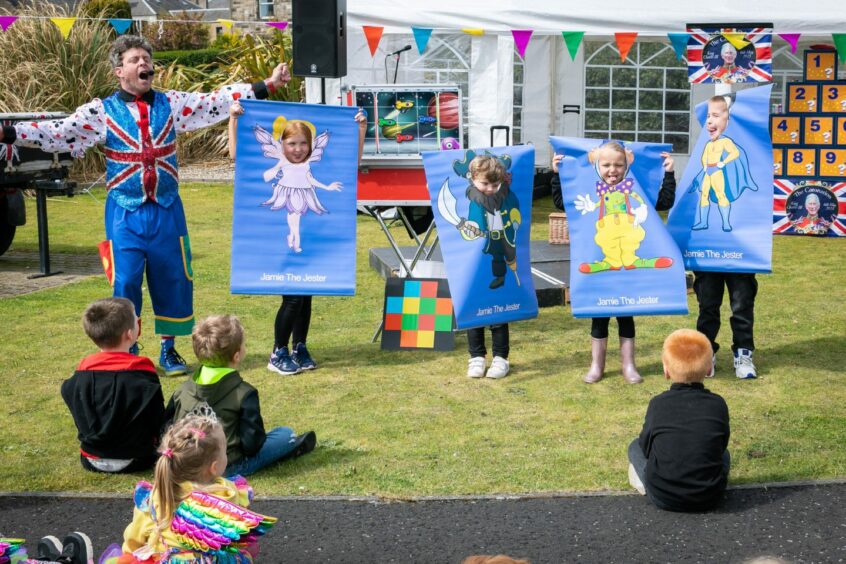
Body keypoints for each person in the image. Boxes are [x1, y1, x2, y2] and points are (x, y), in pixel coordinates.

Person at [0, 35, 291, 377]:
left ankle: (169, 350)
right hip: (125, 211)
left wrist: (267, 84)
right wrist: (10, 132)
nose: (143, 64)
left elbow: (215, 100)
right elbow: (61, 131)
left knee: (174, 277)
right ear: (118, 71)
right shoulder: (100, 111)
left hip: (167, 208)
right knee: (125, 282)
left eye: (146, 59)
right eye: (135, 59)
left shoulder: (172, 104)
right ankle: (130, 350)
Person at [229, 100, 366, 375]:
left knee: (305, 296)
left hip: (309, 213)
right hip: (283, 207)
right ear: (281, 145)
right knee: (292, 297)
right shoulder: (280, 162)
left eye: (303, 144)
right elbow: (237, 155)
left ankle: (299, 346)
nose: (298, 149)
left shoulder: (310, 164)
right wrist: (233, 120)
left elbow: (353, 160)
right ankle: (278, 351)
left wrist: (360, 129)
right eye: (292, 144)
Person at [551, 145, 676, 384]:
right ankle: (597, 365)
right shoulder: (589, 190)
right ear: (597, 166)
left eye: (618, 165)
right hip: (602, 257)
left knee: (626, 314)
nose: (612, 170)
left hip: (628, 264)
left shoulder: (636, 190)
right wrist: (557, 174)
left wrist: (669, 174)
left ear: (627, 166)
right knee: (599, 316)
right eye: (606, 165)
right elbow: (561, 202)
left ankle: (629, 365)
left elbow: (663, 201)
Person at [166, 315, 316, 476]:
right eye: (244, 344)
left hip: (186, 463)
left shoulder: (182, 390)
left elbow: (167, 428)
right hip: (227, 466)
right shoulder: (244, 393)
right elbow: (252, 445)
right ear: (236, 356)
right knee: (286, 434)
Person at [118, 415, 276, 562]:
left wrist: (130, 556)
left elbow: (134, 538)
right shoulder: (226, 493)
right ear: (214, 467)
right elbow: (236, 536)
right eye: (224, 452)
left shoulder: (155, 495)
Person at [627, 329, 730, 512]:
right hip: (710, 497)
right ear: (708, 368)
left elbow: (645, 446)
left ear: (666, 370)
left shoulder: (658, 404)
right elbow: (721, 445)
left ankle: (644, 482)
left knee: (634, 446)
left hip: (663, 497)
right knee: (725, 454)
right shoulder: (718, 404)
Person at [61, 297, 166, 473]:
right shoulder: (142, 375)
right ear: (130, 334)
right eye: (136, 320)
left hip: (90, 457)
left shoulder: (79, 376)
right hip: (136, 458)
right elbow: (156, 418)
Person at [457, 154, 520, 380]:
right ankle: (476, 357)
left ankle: (501, 358)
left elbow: (515, 209)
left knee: (498, 310)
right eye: (485, 184)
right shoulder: (472, 199)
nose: (491, 189)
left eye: (495, 184)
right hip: (472, 261)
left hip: (499, 243)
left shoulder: (504, 195)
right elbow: (467, 223)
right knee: (475, 308)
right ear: (472, 179)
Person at [690, 95, 757, 232]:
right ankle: (703, 222)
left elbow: (735, 153)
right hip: (708, 171)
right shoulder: (709, 144)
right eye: (708, 116)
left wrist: (723, 163)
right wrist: (704, 167)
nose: (709, 121)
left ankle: (726, 223)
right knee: (704, 195)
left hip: (717, 171)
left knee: (721, 195)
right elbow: (704, 156)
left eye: (714, 115)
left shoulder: (725, 142)